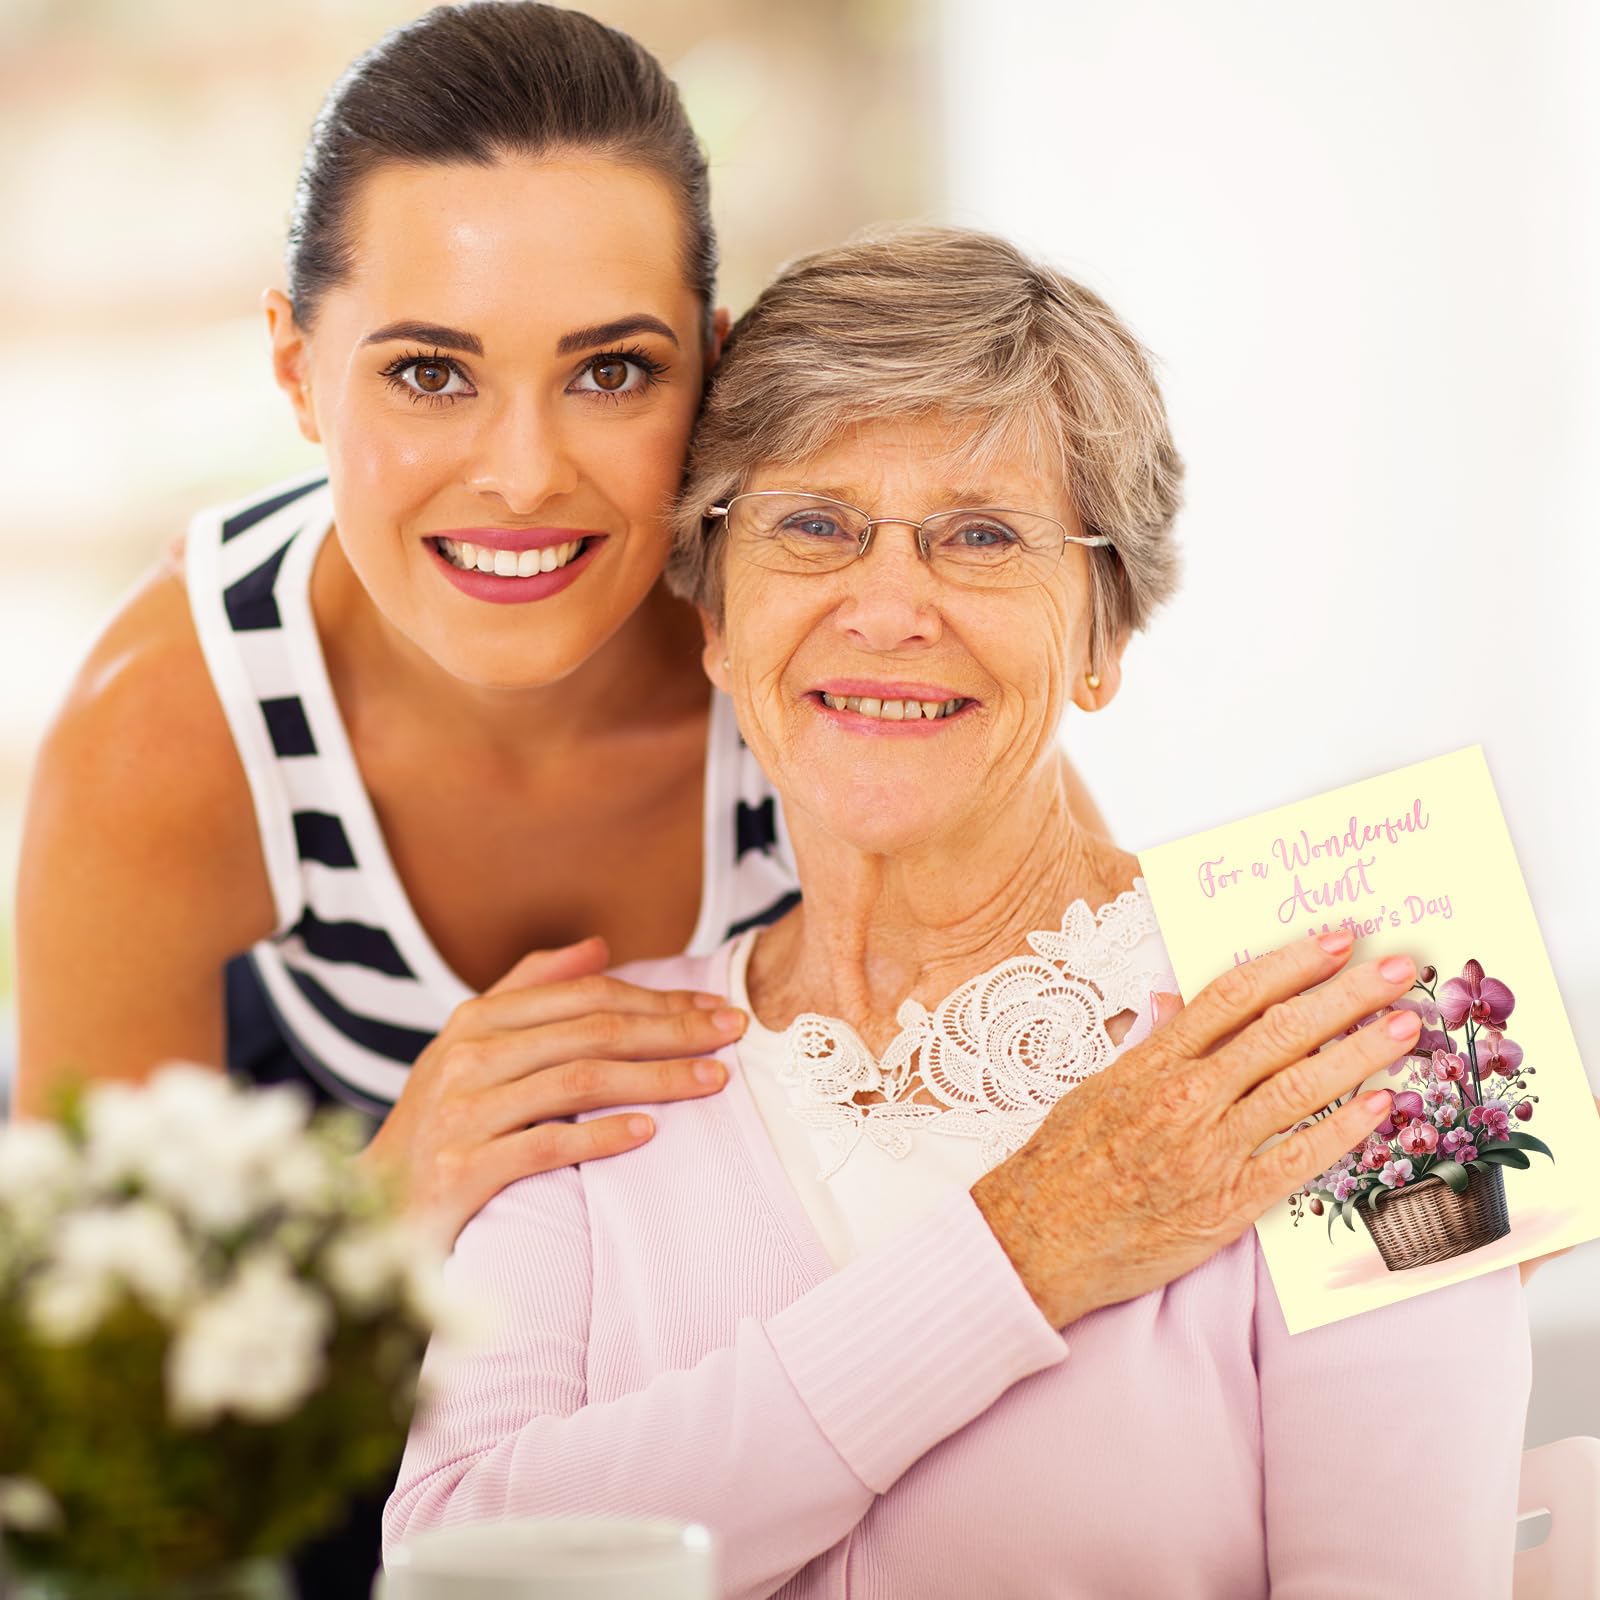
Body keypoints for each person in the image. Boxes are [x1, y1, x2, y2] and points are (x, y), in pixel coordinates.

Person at [14, 14, 1117, 1589]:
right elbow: (102, 1443)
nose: (523, 475)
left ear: (712, 366)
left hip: (770, 1433)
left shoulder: (828, 639)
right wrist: (387, 1203)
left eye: (611, 370)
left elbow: (1081, 1005)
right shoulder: (173, 743)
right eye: (427, 373)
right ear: (296, 371)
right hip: (315, 1460)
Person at [384, 228, 1533, 1598]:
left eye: (981, 535)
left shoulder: (1357, 1010)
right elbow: (469, 1570)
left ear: (1104, 635)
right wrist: (1023, 1248)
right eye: (812, 524)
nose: (885, 607)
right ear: (714, 614)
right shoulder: (586, 1071)